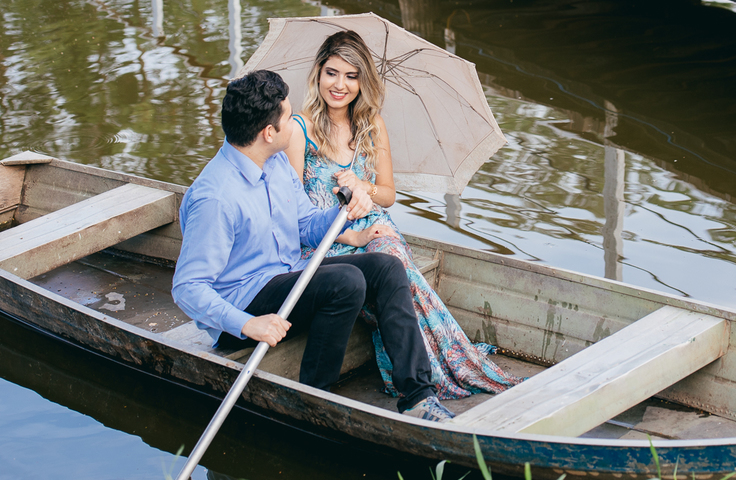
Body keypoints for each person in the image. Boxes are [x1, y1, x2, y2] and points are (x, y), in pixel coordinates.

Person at [172, 69, 455, 422]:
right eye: (289, 117)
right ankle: (315, 401)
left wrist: (345, 209)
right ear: (269, 132)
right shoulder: (215, 197)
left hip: (289, 275)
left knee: (385, 266)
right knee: (345, 282)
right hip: (245, 305)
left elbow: (305, 226)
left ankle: (417, 396)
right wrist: (247, 324)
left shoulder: (275, 162)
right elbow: (187, 288)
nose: (295, 124)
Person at [286, 30, 522, 401]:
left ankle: (437, 365)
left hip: (375, 226)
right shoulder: (299, 130)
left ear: (363, 81)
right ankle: (444, 363)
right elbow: (291, 213)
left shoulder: (372, 125)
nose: (340, 85)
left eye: (351, 76)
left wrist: (362, 185)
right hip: (326, 240)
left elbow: (388, 194)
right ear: (318, 73)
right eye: (332, 73)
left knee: (392, 254)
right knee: (391, 266)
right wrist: (348, 232)